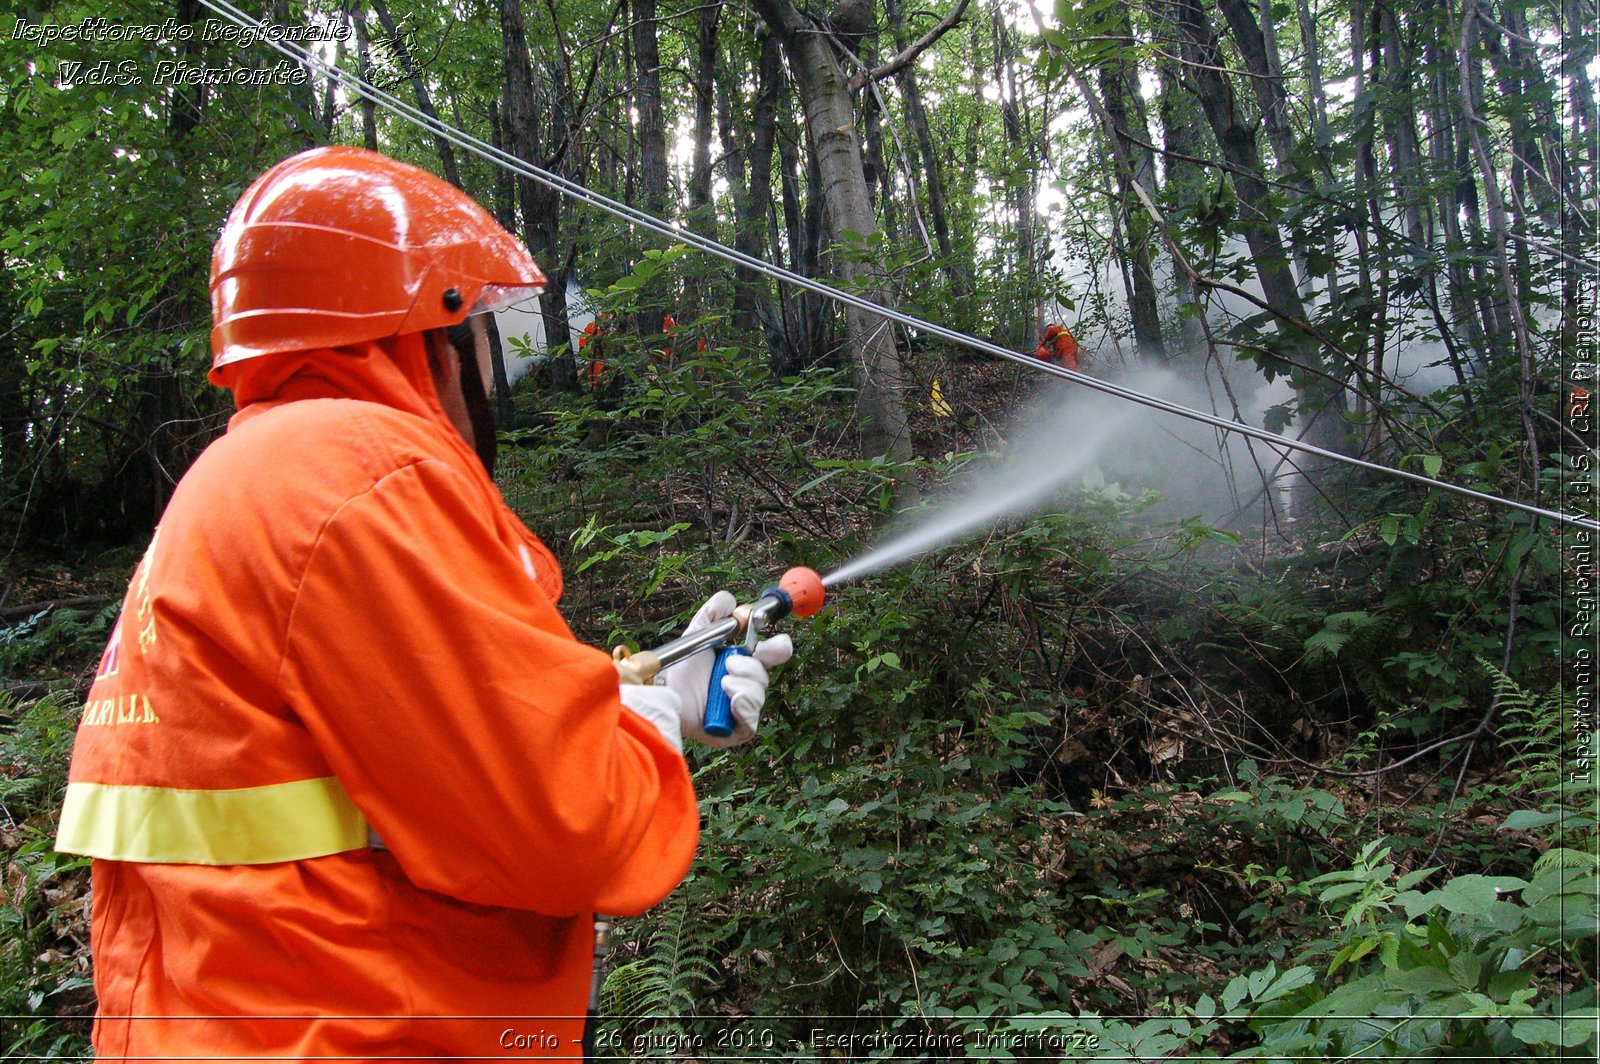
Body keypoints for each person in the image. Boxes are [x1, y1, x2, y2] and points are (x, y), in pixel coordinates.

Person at [54, 146, 792, 1061]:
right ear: (431, 325)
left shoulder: (243, 482)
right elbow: (567, 829)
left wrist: (640, 696)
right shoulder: (361, 475)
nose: (494, 364)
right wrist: (643, 733)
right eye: (484, 329)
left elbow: (402, 748)